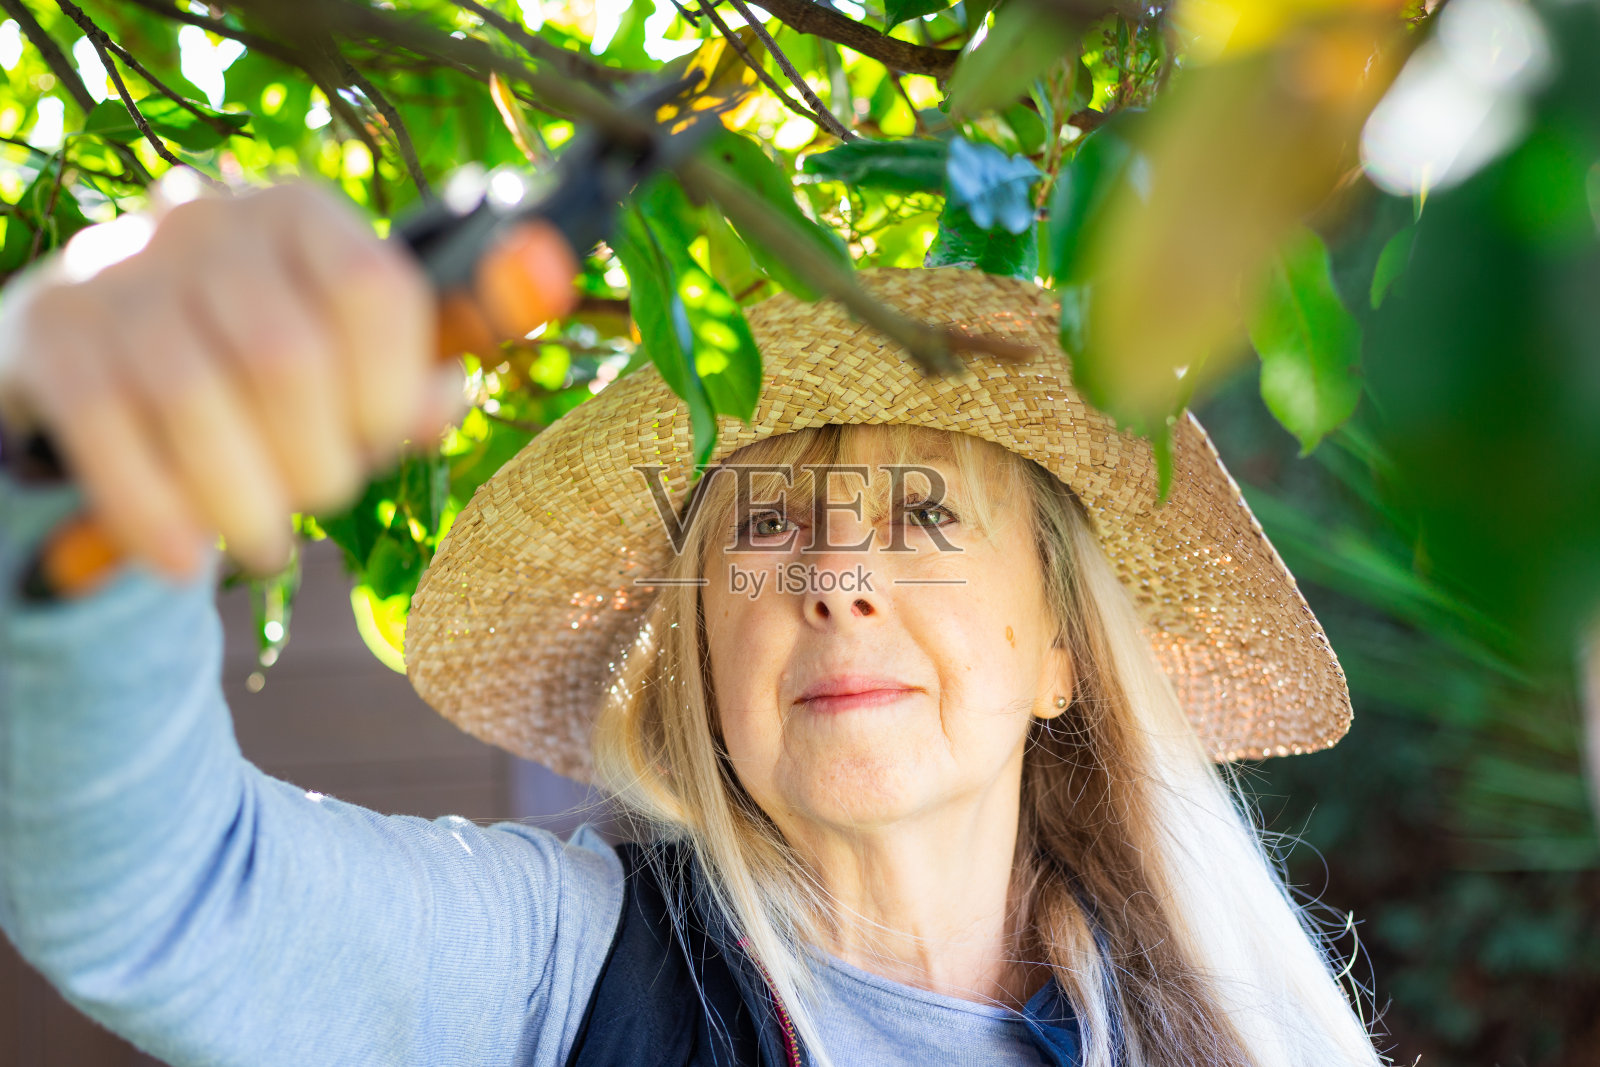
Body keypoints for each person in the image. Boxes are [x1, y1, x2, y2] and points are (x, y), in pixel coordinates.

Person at [0, 178, 1384, 1067]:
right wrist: (69, 448)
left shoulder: (1253, 1025)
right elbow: (167, 900)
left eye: (922, 519)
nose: (835, 581)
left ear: (1062, 653)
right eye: (767, 529)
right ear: (703, 654)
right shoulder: (564, 972)